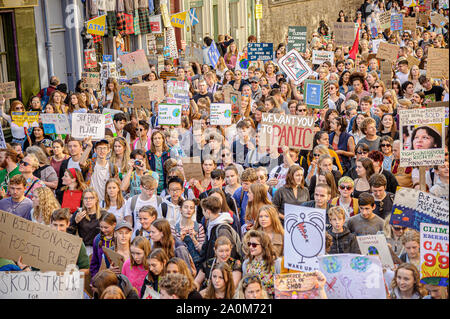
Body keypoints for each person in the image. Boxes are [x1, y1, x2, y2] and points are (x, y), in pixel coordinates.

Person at [200, 196, 242, 264]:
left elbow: (228, 253)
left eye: (203, 210)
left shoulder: (222, 230)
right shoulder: (211, 224)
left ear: (208, 212)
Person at [242, 230, 281, 298]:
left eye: (254, 245)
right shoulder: (246, 263)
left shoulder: (276, 262)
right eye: (249, 244)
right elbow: (244, 286)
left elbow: (282, 286)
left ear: (263, 246)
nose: (250, 247)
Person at [172, 198, 205, 271]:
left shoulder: (199, 227)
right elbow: (172, 251)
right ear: (180, 209)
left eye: (191, 208)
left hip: (197, 264)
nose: (188, 210)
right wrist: (180, 239)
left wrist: (194, 239)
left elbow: (202, 251)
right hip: (180, 265)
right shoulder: (174, 228)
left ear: (194, 211)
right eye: (186, 207)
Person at [68, 188, 103, 253]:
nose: (88, 200)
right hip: (83, 248)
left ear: (96, 200)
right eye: (85, 198)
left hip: (99, 248)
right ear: (83, 200)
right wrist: (75, 222)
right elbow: (69, 233)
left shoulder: (103, 214)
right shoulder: (79, 213)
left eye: (91, 198)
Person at [90, 213, 117, 281]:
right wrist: (94, 278)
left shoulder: (119, 239)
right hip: (102, 278)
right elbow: (94, 262)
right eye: (101, 227)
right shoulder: (97, 239)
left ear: (114, 225)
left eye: (106, 227)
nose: (103, 230)